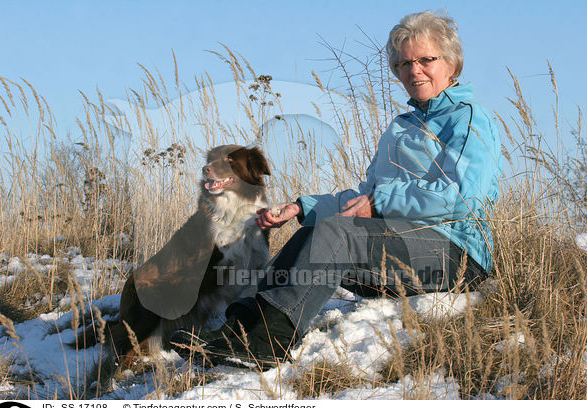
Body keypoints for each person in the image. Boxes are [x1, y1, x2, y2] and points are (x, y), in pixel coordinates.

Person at [171, 10, 502, 369]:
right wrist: (302, 207)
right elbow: (364, 199)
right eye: (405, 63)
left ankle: (271, 342)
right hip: (398, 246)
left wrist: (379, 202)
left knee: (339, 235)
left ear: (451, 64)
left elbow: (463, 199)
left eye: (426, 60)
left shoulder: (467, 117)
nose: (414, 70)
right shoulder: (401, 127)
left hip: (454, 255)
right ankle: (237, 328)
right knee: (313, 232)